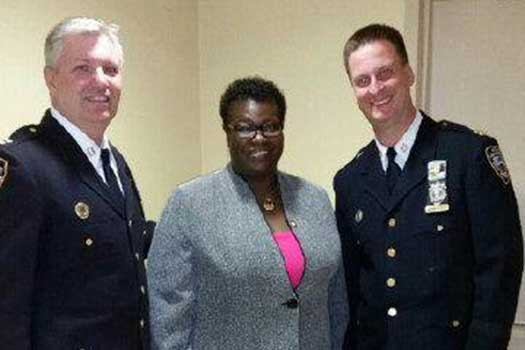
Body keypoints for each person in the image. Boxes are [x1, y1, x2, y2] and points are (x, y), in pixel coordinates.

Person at [334, 23, 523, 350]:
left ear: (408, 73)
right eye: (362, 81)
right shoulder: (350, 180)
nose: (375, 88)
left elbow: (500, 267)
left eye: (385, 73)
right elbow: (352, 287)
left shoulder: (467, 155)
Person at [148, 76, 348, 350]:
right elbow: (168, 316)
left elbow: (335, 300)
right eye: (245, 128)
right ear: (227, 132)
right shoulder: (190, 204)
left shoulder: (315, 200)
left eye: (270, 127)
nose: (259, 138)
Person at [0, 17, 154, 350]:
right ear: (51, 79)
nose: (101, 82)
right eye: (83, 68)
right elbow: (7, 307)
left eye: (111, 70)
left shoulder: (115, 163)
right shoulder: (24, 166)